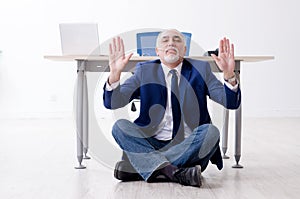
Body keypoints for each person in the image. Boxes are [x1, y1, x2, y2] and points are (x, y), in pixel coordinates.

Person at [103, 29, 241, 187]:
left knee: (211, 132)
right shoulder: (144, 70)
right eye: (165, 40)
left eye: (176, 40)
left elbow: (231, 103)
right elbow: (112, 103)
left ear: (184, 49)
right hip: (152, 142)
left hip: (189, 146)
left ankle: (144, 166)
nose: (170, 42)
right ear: (157, 51)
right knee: (120, 127)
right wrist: (114, 74)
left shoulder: (201, 69)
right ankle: (174, 172)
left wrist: (229, 75)